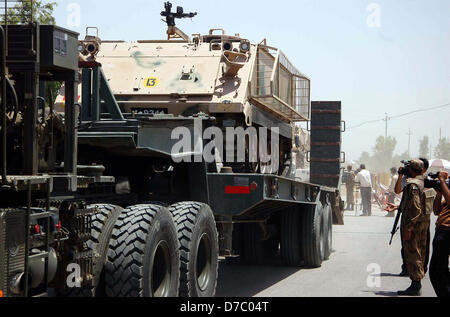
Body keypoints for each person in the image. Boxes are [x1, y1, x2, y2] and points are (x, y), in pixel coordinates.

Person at [396, 159, 428, 296]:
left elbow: (415, 208)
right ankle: (416, 283)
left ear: (411, 170)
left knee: (413, 253)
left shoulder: (413, 185)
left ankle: (415, 285)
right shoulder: (424, 182)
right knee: (419, 252)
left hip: (414, 226)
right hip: (422, 224)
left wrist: (408, 228)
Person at [429, 171, 450, 297]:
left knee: (437, 271)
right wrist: (439, 193)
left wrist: (442, 182)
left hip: (447, 233)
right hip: (442, 231)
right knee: (439, 270)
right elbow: (436, 211)